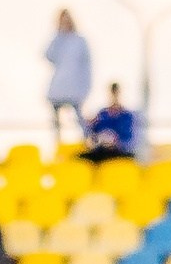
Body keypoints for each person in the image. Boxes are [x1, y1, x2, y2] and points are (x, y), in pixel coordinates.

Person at [45, 11, 93, 145]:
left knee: (79, 119)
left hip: (75, 87)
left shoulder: (79, 41)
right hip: (59, 87)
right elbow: (48, 55)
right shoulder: (59, 40)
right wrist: (58, 35)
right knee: (56, 122)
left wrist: (86, 88)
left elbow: (86, 65)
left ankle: (87, 143)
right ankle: (58, 144)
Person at [84, 82, 138, 163]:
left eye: (116, 92)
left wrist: (114, 142)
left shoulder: (127, 116)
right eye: (112, 92)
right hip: (101, 152)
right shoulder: (102, 114)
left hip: (119, 153)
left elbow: (129, 140)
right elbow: (92, 138)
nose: (114, 95)